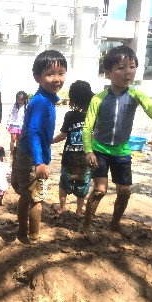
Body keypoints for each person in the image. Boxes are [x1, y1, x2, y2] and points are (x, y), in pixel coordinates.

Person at [82, 45, 152, 235]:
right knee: (100, 190)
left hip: (122, 151)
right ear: (108, 73)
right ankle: (87, 224)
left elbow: (150, 106)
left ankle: (115, 223)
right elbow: (87, 128)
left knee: (124, 191)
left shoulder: (135, 95)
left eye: (131, 67)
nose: (128, 72)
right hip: (99, 150)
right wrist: (88, 150)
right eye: (121, 67)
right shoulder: (98, 99)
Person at [11, 50, 67, 243]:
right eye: (50, 74)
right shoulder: (42, 102)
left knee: (26, 196)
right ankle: (34, 237)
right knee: (36, 199)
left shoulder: (45, 99)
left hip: (25, 153)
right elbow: (34, 132)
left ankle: (21, 232)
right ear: (38, 77)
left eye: (61, 73)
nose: (57, 79)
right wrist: (39, 162)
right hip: (32, 157)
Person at [52, 80, 94, 217]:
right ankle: (79, 211)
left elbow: (63, 135)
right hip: (86, 157)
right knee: (83, 185)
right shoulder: (94, 115)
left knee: (64, 183)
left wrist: (49, 142)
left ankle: (62, 207)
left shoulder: (70, 115)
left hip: (69, 157)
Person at [6, 91, 27, 161]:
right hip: (14, 124)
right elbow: (10, 115)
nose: (20, 101)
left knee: (19, 140)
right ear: (16, 99)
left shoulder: (25, 107)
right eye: (19, 99)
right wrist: (8, 123)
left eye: (22, 99)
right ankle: (11, 153)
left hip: (21, 125)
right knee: (13, 139)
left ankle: (17, 152)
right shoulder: (14, 106)